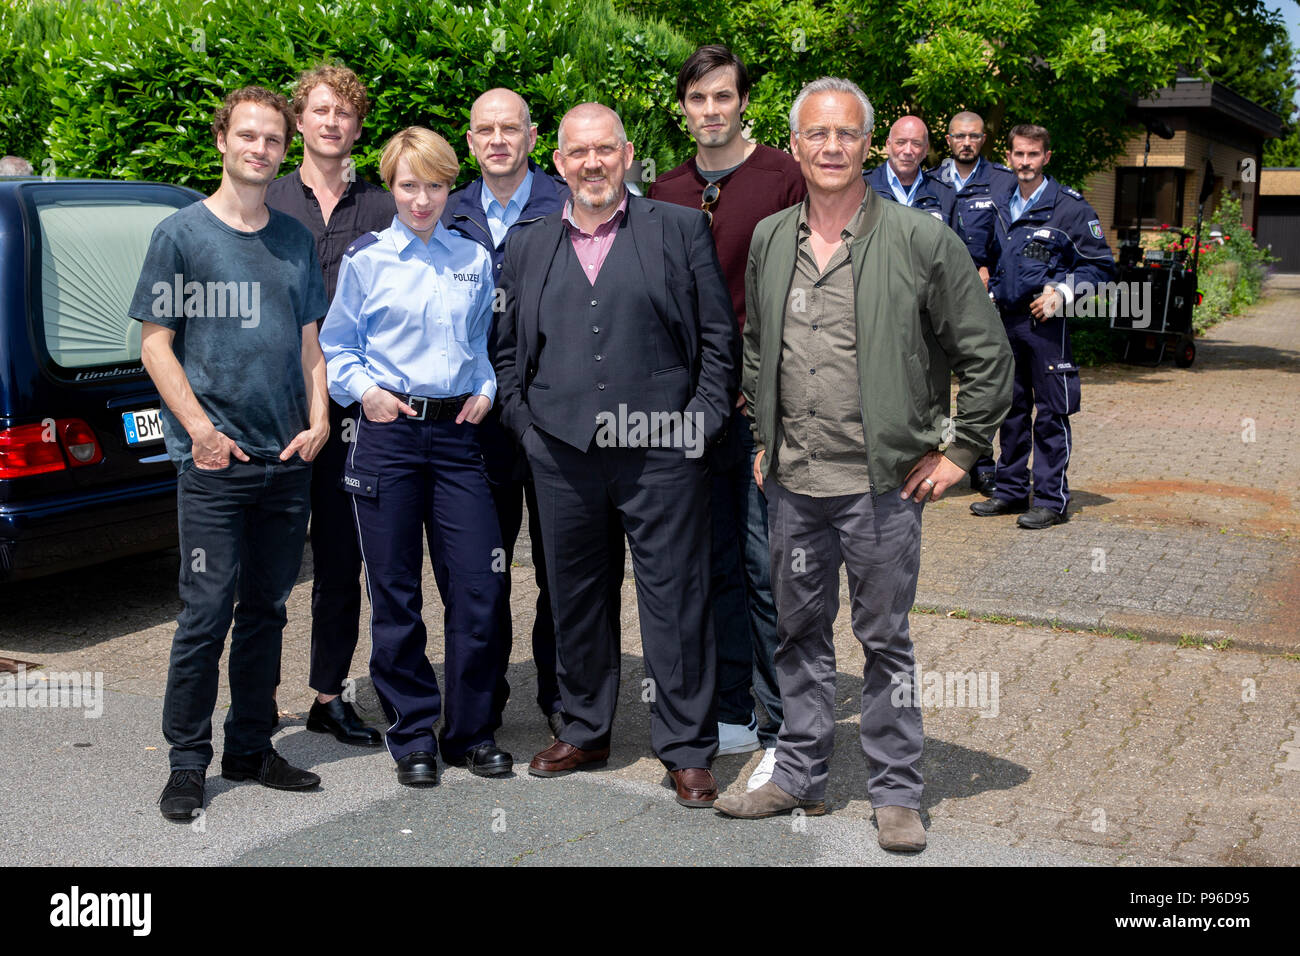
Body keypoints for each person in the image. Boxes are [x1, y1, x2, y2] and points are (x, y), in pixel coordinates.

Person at [714, 78, 1012, 853]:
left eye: (846, 134)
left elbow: (988, 356)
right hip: (793, 485)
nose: (832, 147)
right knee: (797, 635)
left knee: (884, 641)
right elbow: (757, 350)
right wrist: (763, 438)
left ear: (868, 144)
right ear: (797, 145)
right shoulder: (774, 238)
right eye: (816, 134)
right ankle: (798, 773)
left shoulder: (920, 240)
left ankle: (896, 791)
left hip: (883, 487)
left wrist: (960, 451)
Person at [494, 103, 738, 808]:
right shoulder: (528, 242)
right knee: (573, 598)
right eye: (578, 153)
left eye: (605, 150)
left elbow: (718, 342)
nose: (592, 163)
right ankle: (585, 727)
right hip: (561, 453)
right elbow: (507, 351)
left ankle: (687, 748)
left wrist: (697, 427)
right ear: (560, 162)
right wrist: (526, 427)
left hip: (663, 450)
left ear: (627, 155)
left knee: (677, 599)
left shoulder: (680, 228)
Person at [132, 86, 330, 821]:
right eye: (246, 134)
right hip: (215, 466)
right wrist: (201, 433)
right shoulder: (181, 235)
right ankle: (189, 761)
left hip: (285, 463)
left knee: (268, 609)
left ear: (283, 150)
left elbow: (312, 342)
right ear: (222, 141)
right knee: (205, 613)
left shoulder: (292, 239)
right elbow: (155, 344)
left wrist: (319, 420)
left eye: (272, 139)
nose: (260, 147)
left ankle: (251, 746)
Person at [319, 127, 509, 785]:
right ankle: (413, 736)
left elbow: (482, 345)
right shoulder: (366, 260)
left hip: (458, 438)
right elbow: (337, 347)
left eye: (432, 185)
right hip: (390, 437)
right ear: (391, 187)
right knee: (396, 592)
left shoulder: (473, 258)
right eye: (407, 185)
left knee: (480, 588)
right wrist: (364, 392)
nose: (421, 199)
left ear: (449, 185)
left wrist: (485, 387)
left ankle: (470, 732)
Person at [441, 88, 621, 741]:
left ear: (532, 135)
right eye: (484, 130)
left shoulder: (568, 201)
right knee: (477, 578)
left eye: (509, 128)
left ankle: (562, 695)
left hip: (555, 423)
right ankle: (477, 705)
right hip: (470, 426)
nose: (497, 140)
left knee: (566, 576)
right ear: (470, 141)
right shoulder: (447, 210)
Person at [648, 45, 804, 790]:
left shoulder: (783, 178)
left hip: (757, 410)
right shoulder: (663, 190)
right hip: (683, 415)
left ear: (743, 101)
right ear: (683, 107)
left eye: (723, 96)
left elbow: (804, 290)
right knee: (704, 563)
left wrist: (761, 387)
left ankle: (781, 722)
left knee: (766, 563)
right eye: (697, 99)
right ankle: (729, 703)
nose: (710, 110)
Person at [265, 63, 395, 746]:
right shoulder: (267, 200)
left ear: (357, 125)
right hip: (272, 409)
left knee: (343, 563)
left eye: (344, 112)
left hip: (352, 413)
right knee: (267, 563)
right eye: (320, 110)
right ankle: (255, 702)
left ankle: (327, 695)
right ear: (299, 120)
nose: (332, 122)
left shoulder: (382, 209)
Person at [970, 124, 1115, 529]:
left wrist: (1063, 294)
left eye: (1033, 155)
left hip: (1047, 326)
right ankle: (1012, 491)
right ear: (1010, 156)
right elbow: (990, 259)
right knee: (1011, 411)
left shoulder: (1070, 208)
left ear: (1046, 157)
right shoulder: (999, 203)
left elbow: (1101, 268)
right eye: (1018, 154)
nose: (1025, 163)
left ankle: (1052, 500)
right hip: (1006, 325)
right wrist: (987, 279)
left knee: (1051, 415)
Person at [933, 111, 1018, 496]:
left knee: (980, 377)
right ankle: (930, 454)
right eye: (959, 136)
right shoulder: (931, 181)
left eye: (973, 136)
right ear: (948, 140)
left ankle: (981, 464)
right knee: (931, 380)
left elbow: (1013, 240)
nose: (966, 142)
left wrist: (991, 274)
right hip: (936, 298)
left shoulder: (1003, 182)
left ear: (983, 140)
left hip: (984, 298)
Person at [864, 116, 955, 225]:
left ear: (925, 149)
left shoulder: (944, 193)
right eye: (901, 142)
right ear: (888, 145)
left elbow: (953, 241)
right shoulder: (863, 186)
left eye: (916, 144)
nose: (907, 151)